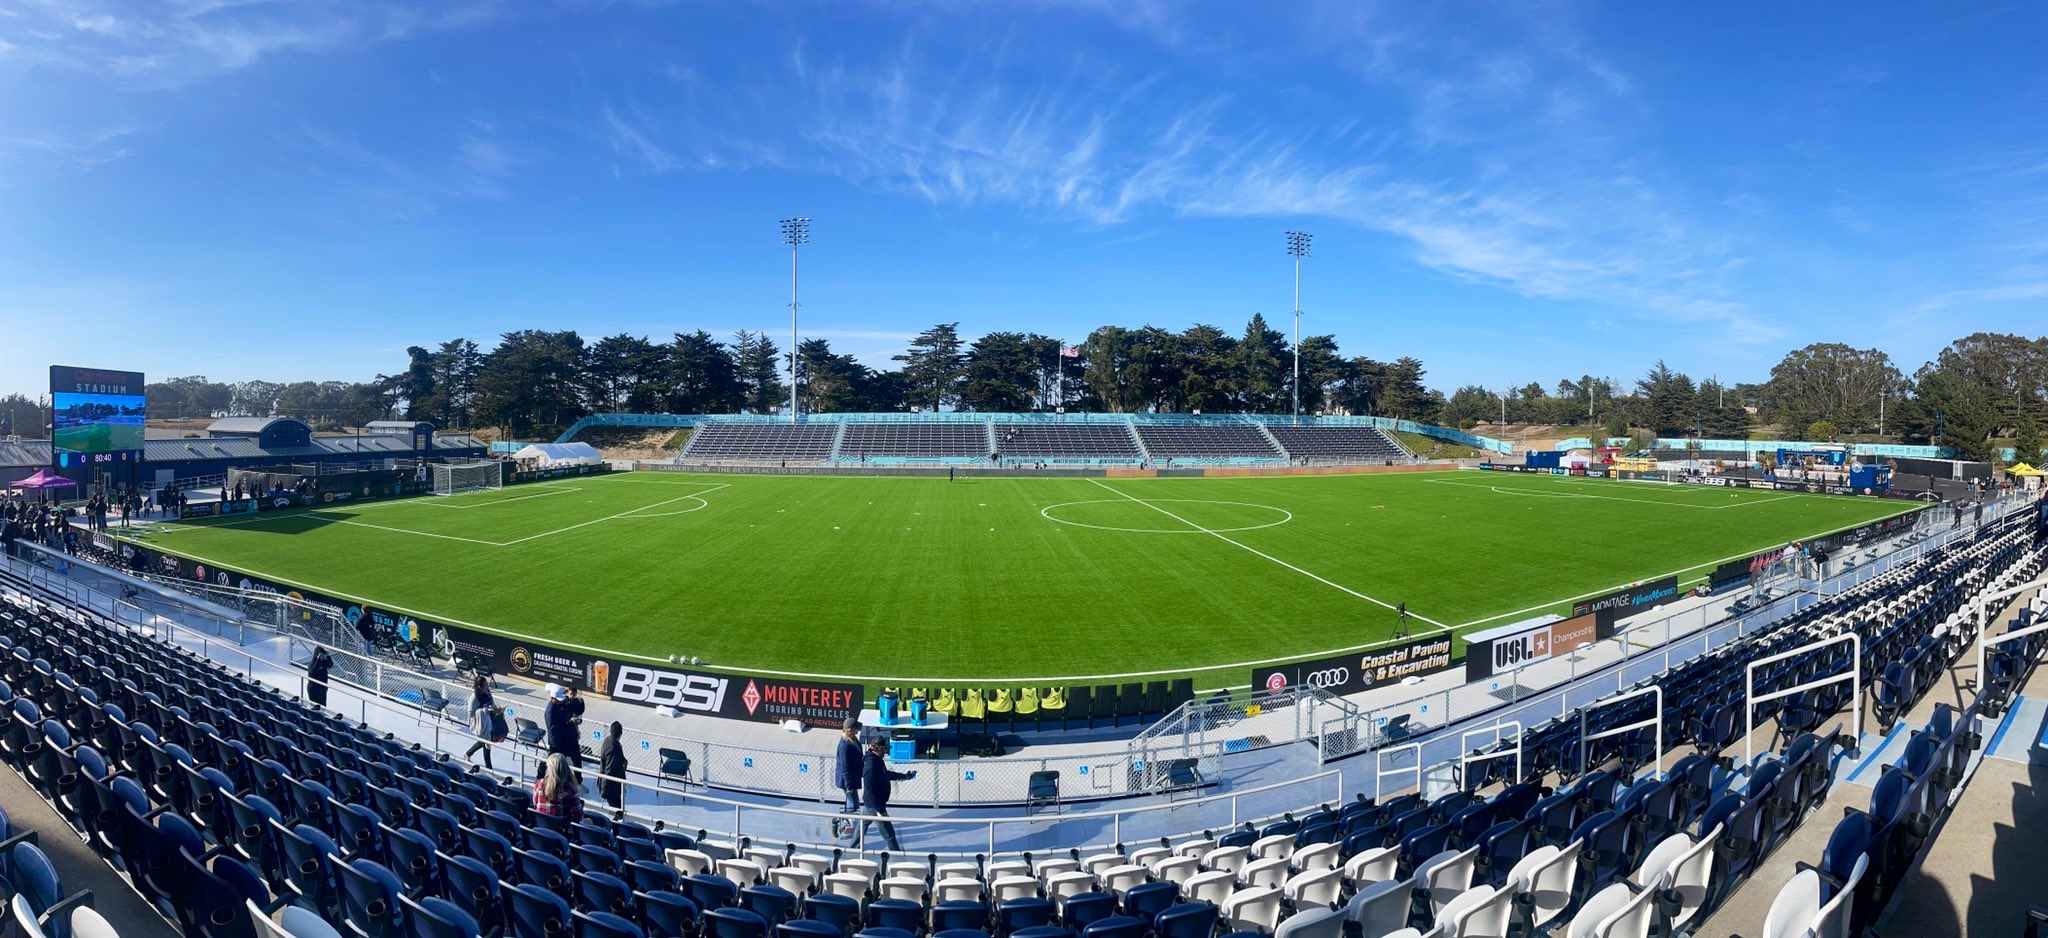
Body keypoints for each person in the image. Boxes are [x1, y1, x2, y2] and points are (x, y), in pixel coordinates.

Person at [859, 737, 915, 852]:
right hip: (875, 805)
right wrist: (880, 810)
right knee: (889, 834)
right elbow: (870, 791)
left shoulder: (877, 759)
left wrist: (904, 776)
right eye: (885, 749)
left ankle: (852, 848)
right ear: (878, 748)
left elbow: (886, 774)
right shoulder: (871, 766)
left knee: (861, 828)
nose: (887, 751)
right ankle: (897, 857)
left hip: (871, 805)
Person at [545, 684, 585, 777]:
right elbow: (554, 728)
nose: (561, 701)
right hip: (558, 742)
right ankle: (541, 776)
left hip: (568, 738)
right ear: (553, 698)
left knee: (577, 759)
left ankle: (578, 780)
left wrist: (576, 720)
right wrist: (570, 722)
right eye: (559, 700)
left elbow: (572, 713)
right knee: (553, 760)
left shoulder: (561, 704)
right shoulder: (550, 711)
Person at [531, 753, 585, 822]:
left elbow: (535, 805)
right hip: (561, 830)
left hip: (541, 827)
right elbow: (578, 817)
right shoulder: (570, 790)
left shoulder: (539, 784)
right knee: (589, 821)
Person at [834, 717, 864, 839]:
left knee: (853, 804)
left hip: (851, 779)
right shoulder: (845, 747)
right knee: (852, 805)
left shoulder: (852, 740)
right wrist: (849, 785)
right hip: (847, 781)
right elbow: (845, 767)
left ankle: (841, 822)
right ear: (849, 730)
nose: (858, 731)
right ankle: (846, 827)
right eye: (856, 729)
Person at [465, 674, 502, 767]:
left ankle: (468, 753)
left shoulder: (488, 692)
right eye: (485, 686)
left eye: (487, 685)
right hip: (480, 724)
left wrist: (497, 709)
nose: (487, 687)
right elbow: (470, 713)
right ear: (479, 687)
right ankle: (488, 767)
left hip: (488, 721)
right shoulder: (474, 697)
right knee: (486, 742)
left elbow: (491, 703)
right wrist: (484, 711)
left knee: (485, 742)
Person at [598, 721, 628, 810]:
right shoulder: (613, 749)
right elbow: (609, 771)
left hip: (612, 785)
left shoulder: (608, 740)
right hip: (612, 787)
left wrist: (624, 760)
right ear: (620, 734)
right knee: (617, 809)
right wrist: (604, 790)